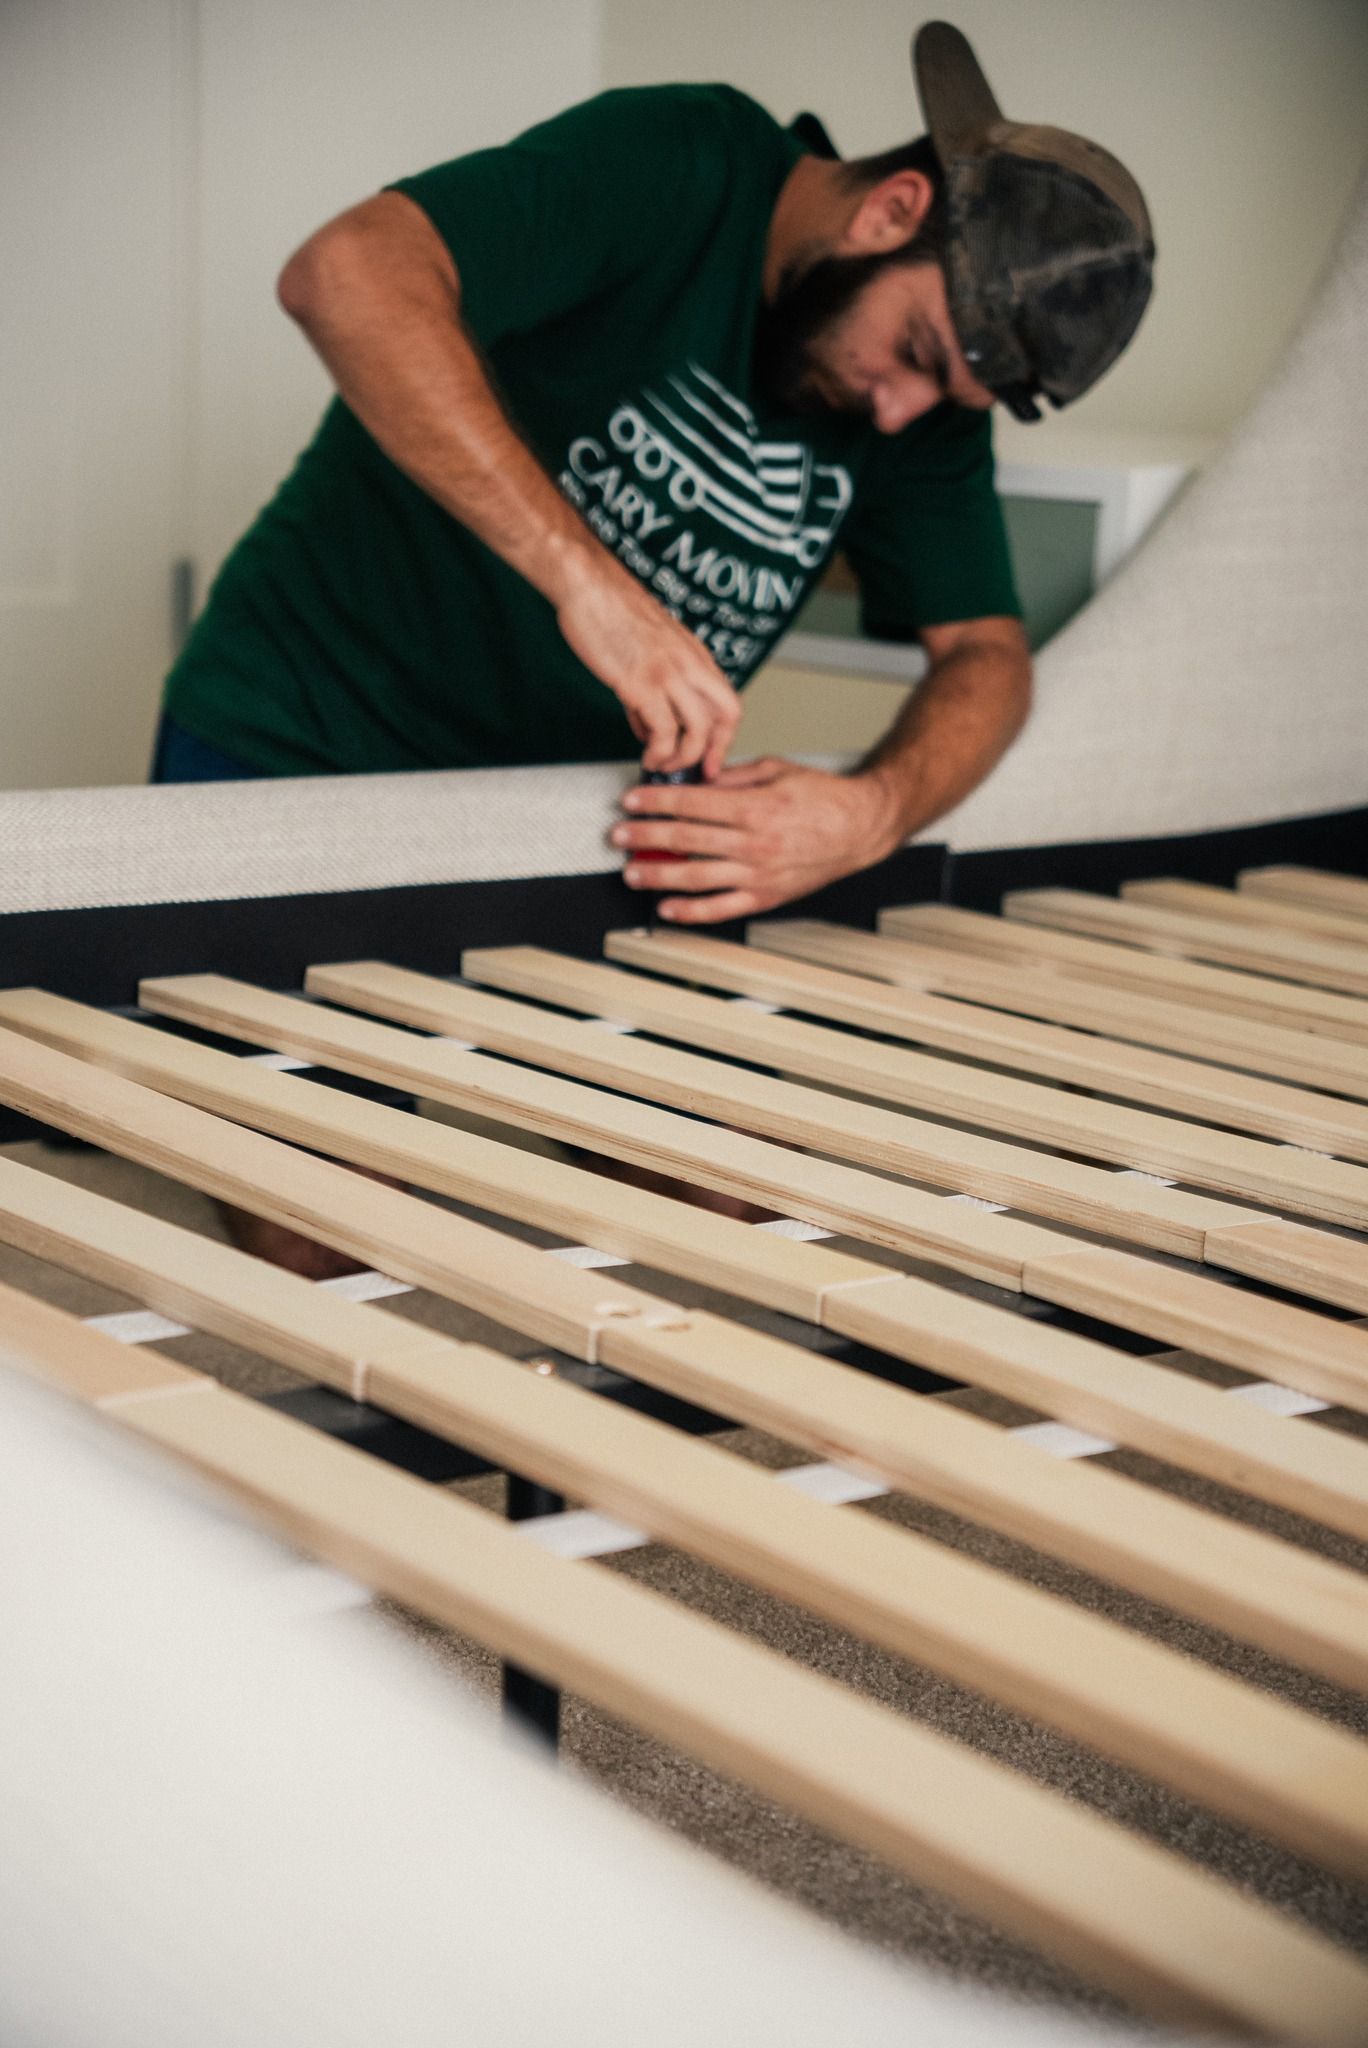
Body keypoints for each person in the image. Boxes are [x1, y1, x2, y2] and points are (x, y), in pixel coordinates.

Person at [155, 21, 1154, 926]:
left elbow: (990, 659)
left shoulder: (920, 409)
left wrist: (872, 813)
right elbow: (345, 275)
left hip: (536, 825)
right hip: (289, 743)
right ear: (891, 210)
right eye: (918, 353)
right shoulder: (686, 160)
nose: (901, 412)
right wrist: (593, 587)